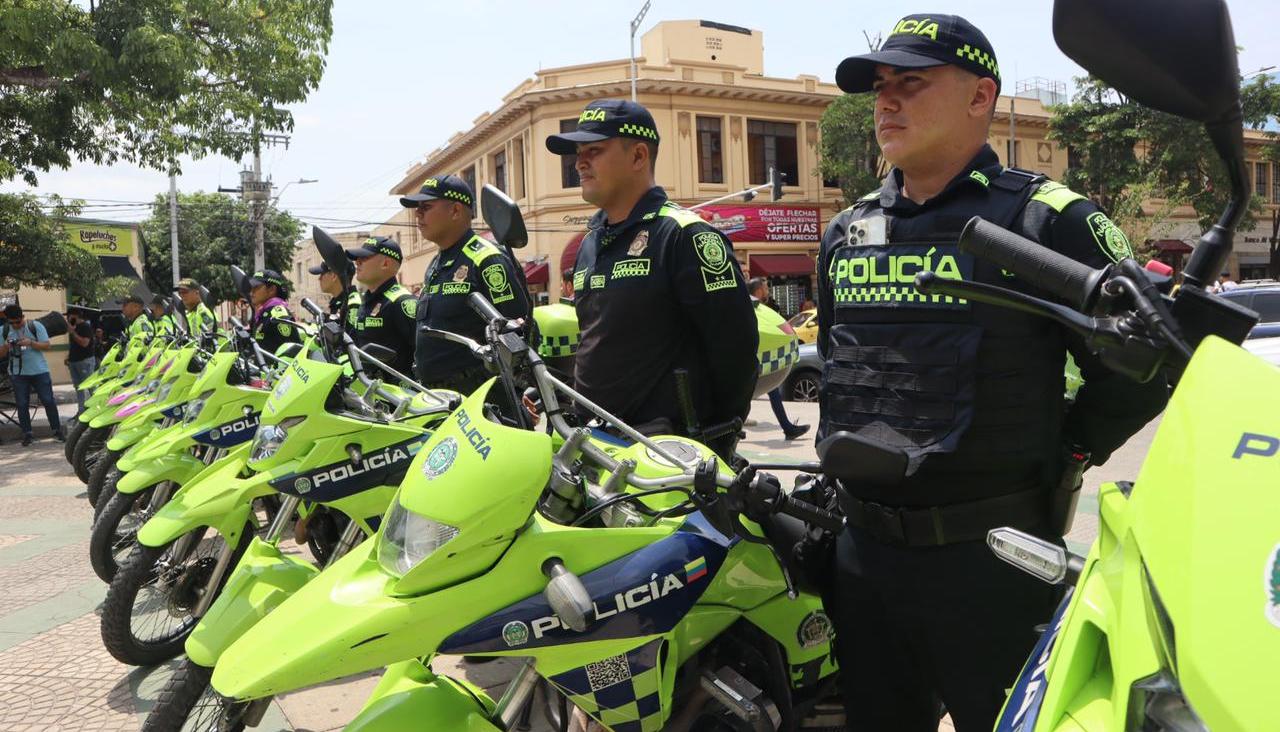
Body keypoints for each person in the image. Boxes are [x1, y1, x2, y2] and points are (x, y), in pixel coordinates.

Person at [817, 15, 1170, 731]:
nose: (886, 102)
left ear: (981, 97)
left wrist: (1069, 449)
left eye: (910, 84)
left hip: (993, 566)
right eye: (881, 87)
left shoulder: (1047, 221)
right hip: (864, 561)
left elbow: (1148, 362)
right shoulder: (845, 232)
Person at [545, 99, 757, 455]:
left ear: (639, 156)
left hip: (664, 459)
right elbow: (598, 343)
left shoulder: (685, 236)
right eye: (578, 152)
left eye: (594, 150)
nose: (579, 162)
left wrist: (716, 441)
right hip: (596, 448)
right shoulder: (590, 244)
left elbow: (736, 350)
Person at [400, 174, 530, 393]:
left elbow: (517, 331)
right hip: (437, 395)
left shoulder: (486, 259)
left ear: (455, 211)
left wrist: (513, 392)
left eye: (426, 207)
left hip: (478, 396)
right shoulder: (437, 263)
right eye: (417, 208)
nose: (417, 214)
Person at [346, 236, 417, 379]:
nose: (357, 262)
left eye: (364, 258)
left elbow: (423, 352)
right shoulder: (366, 301)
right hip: (370, 390)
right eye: (357, 258)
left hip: (399, 395)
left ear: (385, 263)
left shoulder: (401, 301)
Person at [748, 277, 809, 440]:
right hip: (757, 359)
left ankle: (787, 427)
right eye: (766, 288)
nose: (768, 291)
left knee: (772, 390)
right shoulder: (753, 309)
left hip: (761, 360)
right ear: (759, 290)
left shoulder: (760, 308)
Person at [0, 305, 63, 445]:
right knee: (22, 404)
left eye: (18, 321)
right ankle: (27, 434)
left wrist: (30, 343)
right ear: (7, 321)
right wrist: (6, 346)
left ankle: (57, 430)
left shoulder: (35, 326)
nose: (15, 325)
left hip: (39, 371)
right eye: (12, 323)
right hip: (17, 373)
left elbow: (47, 345)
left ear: (23, 317)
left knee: (48, 400)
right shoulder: (3, 331)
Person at [246, 270, 301, 355]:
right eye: (251, 288)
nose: (251, 292)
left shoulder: (278, 313)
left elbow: (291, 350)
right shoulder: (265, 313)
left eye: (256, 287)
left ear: (272, 289)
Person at [309, 260, 361, 332]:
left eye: (322, 274)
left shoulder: (353, 303)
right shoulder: (338, 302)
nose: (319, 278)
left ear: (333, 276)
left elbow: (351, 338)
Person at [65, 307, 96, 411]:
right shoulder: (74, 328)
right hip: (74, 361)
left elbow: (84, 343)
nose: (68, 319)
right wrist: (68, 356)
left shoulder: (84, 327)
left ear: (75, 316)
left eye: (69, 316)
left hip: (84, 361)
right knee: (78, 388)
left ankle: (95, 408)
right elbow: (73, 345)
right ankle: (81, 411)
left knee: (89, 386)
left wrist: (73, 332)